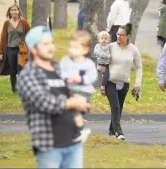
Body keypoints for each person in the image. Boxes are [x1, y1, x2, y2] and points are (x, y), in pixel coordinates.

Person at [17, 26, 91, 168]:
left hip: (74, 143)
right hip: (49, 147)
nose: (51, 47)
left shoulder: (60, 68)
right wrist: (72, 102)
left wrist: (82, 101)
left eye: (51, 43)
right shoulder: (28, 75)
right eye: (45, 44)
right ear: (33, 49)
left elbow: (76, 91)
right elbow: (44, 102)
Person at [106, 23, 142, 140]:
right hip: (110, 81)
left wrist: (137, 84)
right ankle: (119, 132)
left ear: (128, 36)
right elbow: (102, 59)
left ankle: (112, 130)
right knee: (115, 106)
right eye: (118, 34)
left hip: (124, 82)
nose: (119, 36)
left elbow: (139, 67)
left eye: (122, 35)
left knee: (119, 107)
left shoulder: (133, 50)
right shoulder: (111, 47)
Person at [59, 30, 98, 143]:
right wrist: (67, 79)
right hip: (70, 90)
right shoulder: (65, 61)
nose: (72, 50)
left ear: (85, 50)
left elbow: (92, 77)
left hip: (83, 91)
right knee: (70, 112)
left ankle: (80, 130)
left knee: (74, 109)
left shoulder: (88, 64)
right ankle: (77, 132)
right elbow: (61, 73)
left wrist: (81, 79)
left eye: (76, 47)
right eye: (70, 47)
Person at [0, 1, 30, 93]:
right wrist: (0, 52)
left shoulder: (24, 22)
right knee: (12, 71)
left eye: (15, 10)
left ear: (18, 11)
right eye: (12, 10)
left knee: (21, 69)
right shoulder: (6, 23)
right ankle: (14, 89)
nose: (14, 12)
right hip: (10, 50)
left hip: (21, 50)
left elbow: (30, 35)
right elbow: (3, 38)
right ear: (9, 12)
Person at [94, 31, 111, 95]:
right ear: (99, 39)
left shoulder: (109, 46)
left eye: (105, 38)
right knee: (105, 74)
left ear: (108, 40)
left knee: (108, 76)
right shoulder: (98, 46)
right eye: (102, 38)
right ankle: (102, 87)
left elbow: (111, 54)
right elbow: (96, 53)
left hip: (108, 64)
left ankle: (107, 88)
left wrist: (109, 56)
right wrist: (106, 56)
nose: (104, 40)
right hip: (101, 64)